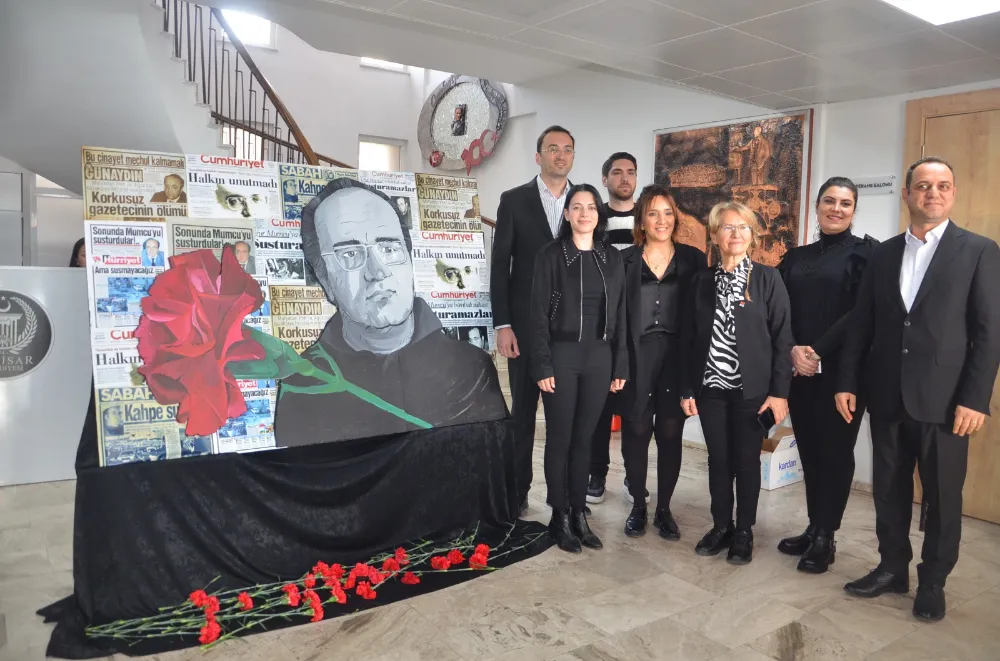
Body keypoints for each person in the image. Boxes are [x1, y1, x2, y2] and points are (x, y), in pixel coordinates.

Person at [836, 157, 1000, 622]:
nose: (933, 193)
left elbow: (989, 332)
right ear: (907, 194)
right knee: (888, 490)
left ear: (953, 193)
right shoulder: (883, 253)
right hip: (887, 395)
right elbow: (862, 324)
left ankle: (933, 581)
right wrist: (847, 381)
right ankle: (892, 568)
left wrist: (975, 398)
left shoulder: (979, 251)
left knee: (943, 497)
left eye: (943, 185)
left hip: (946, 402)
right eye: (923, 185)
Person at [274, 177, 508, 446]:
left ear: (409, 261)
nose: (378, 271)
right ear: (325, 279)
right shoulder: (303, 386)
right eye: (349, 254)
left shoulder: (471, 369)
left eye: (389, 248)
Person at [680, 201, 793, 564]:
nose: (736, 234)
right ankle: (720, 526)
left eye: (743, 227)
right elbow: (687, 339)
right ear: (715, 236)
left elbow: (783, 339)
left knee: (746, 461)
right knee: (718, 460)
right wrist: (687, 388)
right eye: (727, 227)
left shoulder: (767, 279)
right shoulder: (701, 281)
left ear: (752, 235)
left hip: (752, 392)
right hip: (711, 389)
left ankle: (744, 531)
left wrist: (779, 393)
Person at [776, 177, 878, 573]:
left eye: (845, 203)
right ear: (817, 206)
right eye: (829, 201)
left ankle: (826, 536)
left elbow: (861, 314)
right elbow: (779, 309)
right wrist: (793, 349)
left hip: (844, 374)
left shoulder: (868, 254)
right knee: (810, 450)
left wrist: (817, 350)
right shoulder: (795, 257)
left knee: (835, 453)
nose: (836, 209)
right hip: (800, 370)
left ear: (854, 210)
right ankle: (813, 526)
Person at [529, 183, 628, 553]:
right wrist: (542, 364)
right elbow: (537, 314)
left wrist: (620, 364)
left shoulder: (611, 257)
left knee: (586, 438)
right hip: (562, 356)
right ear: (567, 214)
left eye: (591, 207)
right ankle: (559, 515)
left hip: (599, 357)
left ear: (599, 214)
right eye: (577, 206)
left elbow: (620, 314)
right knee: (561, 438)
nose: (584, 213)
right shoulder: (551, 255)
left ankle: (577, 512)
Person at [491, 125, 575, 514]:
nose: (561, 155)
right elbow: (500, 266)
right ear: (538, 156)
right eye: (553, 148)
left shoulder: (584, 201)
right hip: (524, 329)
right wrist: (503, 324)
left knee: (565, 420)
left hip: (570, 332)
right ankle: (518, 491)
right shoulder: (514, 200)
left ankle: (564, 496)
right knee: (523, 415)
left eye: (567, 149)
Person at [619, 184, 706, 538]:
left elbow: (700, 317)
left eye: (668, 213)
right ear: (641, 220)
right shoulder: (623, 261)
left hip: (676, 357)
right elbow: (614, 320)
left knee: (670, 432)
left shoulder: (693, 259)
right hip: (636, 356)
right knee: (636, 431)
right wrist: (617, 365)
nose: (661, 220)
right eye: (653, 213)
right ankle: (638, 506)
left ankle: (664, 510)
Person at [587, 151, 638, 506]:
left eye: (630, 172)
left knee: (635, 410)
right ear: (605, 179)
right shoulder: (596, 218)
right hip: (601, 326)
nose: (624, 178)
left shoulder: (647, 219)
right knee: (599, 407)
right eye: (617, 172)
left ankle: (635, 478)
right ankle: (597, 474)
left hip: (639, 327)